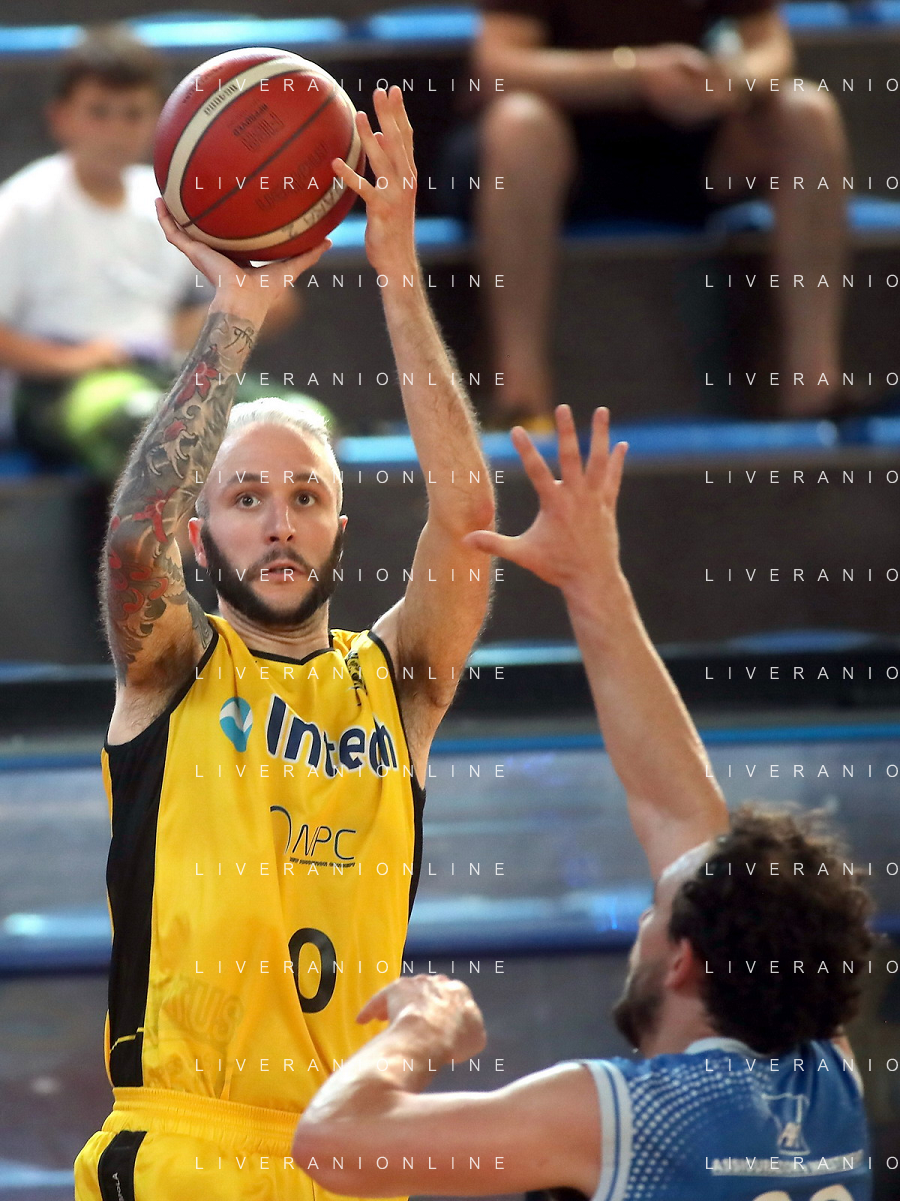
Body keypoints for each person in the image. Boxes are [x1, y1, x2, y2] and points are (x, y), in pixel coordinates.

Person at [74, 86, 495, 1199]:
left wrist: (396, 270)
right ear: (202, 531)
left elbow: (466, 517)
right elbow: (133, 538)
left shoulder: (396, 683)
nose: (278, 520)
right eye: (245, 496)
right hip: (186, 1147)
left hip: (352, 1152)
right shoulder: (174, 667)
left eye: (306, 495)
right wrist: (240, 308)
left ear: (341, 528)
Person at [292, 405, 874, 1200]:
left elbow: (334, 1143)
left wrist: (422, 1032)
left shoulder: (627, 1115)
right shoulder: (830, 1081)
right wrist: (593, 580)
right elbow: (678, 811)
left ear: (684, 961)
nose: (644, 918)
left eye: (657, 907)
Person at [457, 1, 849, 426]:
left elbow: (772, 48)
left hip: (686, 145)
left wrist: (730, 82)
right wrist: (635, 73)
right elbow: (498, 67)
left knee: (806, 113)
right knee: (520, 124)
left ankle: (815, 390)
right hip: (559, 150)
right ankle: (522, 401)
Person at [0, 25, 297, 479]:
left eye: (133, 114)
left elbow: (272, 301)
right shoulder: (22, 205)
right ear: (60, 118)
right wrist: (72, 359)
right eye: (99, 112)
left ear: (159, 120)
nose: (116, 130)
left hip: (161, 373)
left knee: (297, 424)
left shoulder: (172, 202)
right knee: (148, 425)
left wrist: (225, 313)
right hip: (56, 387)